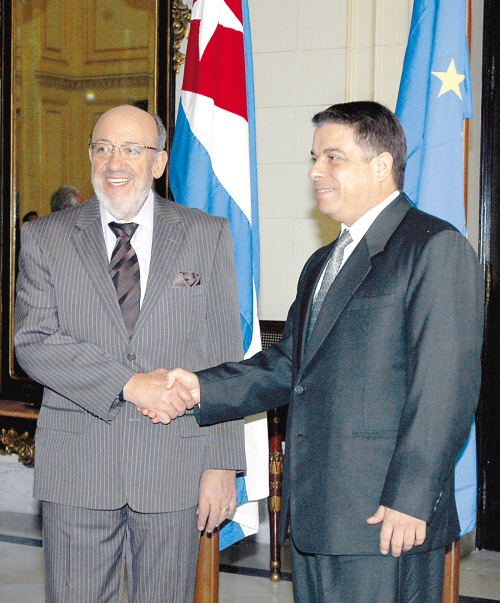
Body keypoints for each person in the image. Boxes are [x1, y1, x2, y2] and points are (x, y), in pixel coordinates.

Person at [146, 101, 485, 603]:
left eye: (332, 157)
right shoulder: (322, 262)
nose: (314, 172)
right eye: (314, 158)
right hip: (317, 515)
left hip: (385, 518)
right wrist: (201, 387)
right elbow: (290, 365)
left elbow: (444, 388)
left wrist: (411, 499)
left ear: (381, 165)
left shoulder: (433, 247)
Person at [14, 105, 245, 603]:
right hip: (78, 469)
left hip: (175, 466)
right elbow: (33, 341)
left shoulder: (206, 234)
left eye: (131, 149)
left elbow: (224, 356)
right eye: (103, 148)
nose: (114, 162)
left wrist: (223, 464)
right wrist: (129, 383)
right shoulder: (45, 237)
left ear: (158, 162)